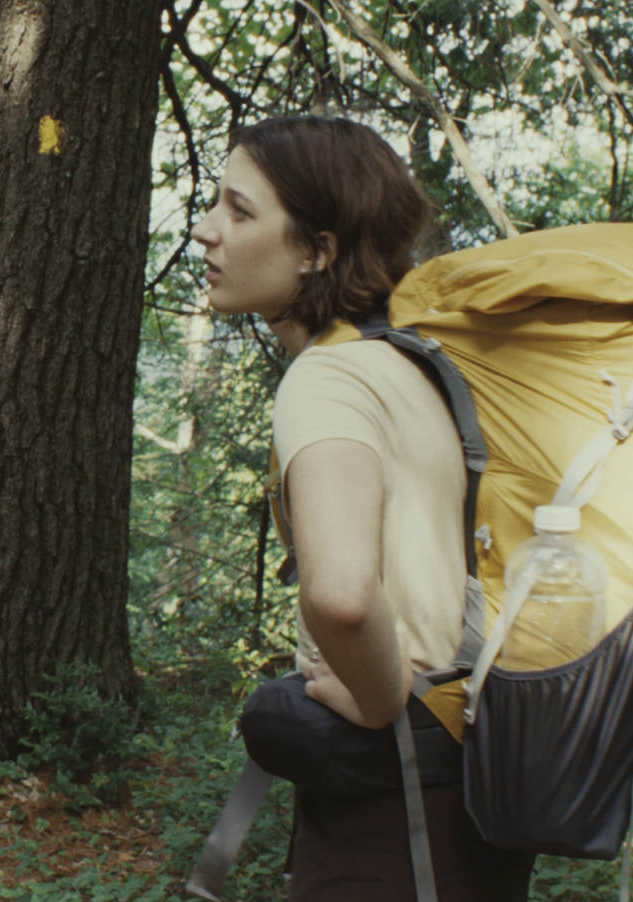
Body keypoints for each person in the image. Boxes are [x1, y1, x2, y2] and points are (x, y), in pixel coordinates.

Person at [191, 117, 533, 900]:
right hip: (467, 786)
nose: (206, 230)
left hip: (397, 800)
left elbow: (343, 596)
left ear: (318, 250)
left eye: (239, 211)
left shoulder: (329, 379)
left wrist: (377, 698)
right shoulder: (408, 365)